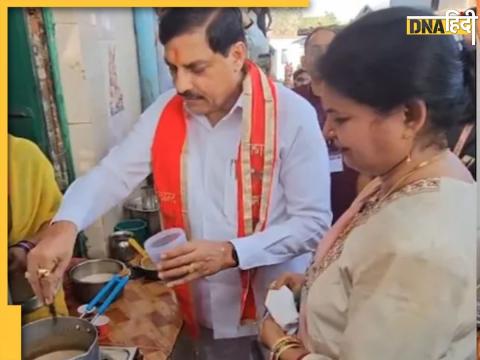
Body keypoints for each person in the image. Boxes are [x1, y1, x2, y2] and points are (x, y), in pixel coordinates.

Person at [26, 8, 331, 360]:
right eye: (173, 68)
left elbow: (312, 223)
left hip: (272, 315)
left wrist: (232, 252)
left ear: (236, 55)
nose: (181, 84)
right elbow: (113, 173)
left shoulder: (291, 116)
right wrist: (64, 225)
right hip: (196, 309)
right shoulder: (166, 111)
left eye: (196, 68)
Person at [260, 7, 476, 359]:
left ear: (410, 116)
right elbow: (375, 282)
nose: (328, 131)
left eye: (341, 118)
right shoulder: (406, 173)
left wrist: (282, 346)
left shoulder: (418, 244)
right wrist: (317, 291)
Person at [294, 27, 359, 223]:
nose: (323, 55)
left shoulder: (359, 98)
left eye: (330, 49)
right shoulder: (291, 100)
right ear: (304, 61)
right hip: (302, 203)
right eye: (316, 50)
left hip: (350, 201)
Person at [8, 134, 69, 324]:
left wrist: (25, 246)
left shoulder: (25, 156)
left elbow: (59, 219)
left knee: (48, 346)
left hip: (33, 290)